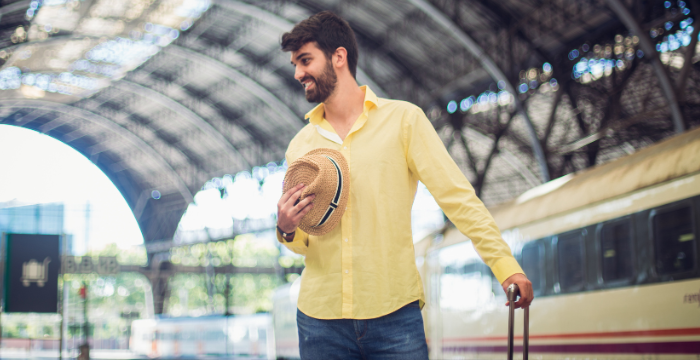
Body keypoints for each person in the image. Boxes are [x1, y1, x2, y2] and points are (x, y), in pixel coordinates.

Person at [275, 11, 533, 360]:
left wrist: (505, 266)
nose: (297, 73)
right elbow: (308, 242)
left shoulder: (403, 121)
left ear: (339, 56)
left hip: (394, 316)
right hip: (320, 322)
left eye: (305, 60)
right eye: (295, 63)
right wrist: (287, 228)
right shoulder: (300, 146)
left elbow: (458, 199)